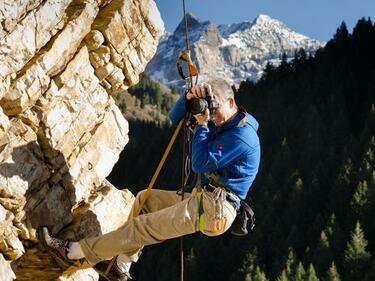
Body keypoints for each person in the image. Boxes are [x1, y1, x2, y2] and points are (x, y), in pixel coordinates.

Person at [40, 78, 261, 281]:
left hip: (217, 209)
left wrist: (202, 124)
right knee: (145, 200)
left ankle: (73, 252)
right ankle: (121, 266)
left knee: (141, 227)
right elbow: (173, 118)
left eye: (216, 106)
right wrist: (189, 99)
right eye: (211, 107)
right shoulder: (222, 122)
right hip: (205, 198)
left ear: (231, 102)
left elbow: (199, 164)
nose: (212, 114)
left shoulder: (243, 136)